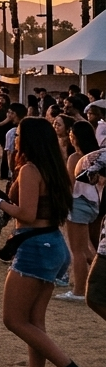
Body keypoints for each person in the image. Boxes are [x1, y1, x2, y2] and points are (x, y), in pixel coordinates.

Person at [0, 117, 101, 367]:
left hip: (36, 246)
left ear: (29, 139)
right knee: (34, 322)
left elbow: (28, 213)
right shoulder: (53, 167)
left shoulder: (31, 169)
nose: (16, 139)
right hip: (51, 243)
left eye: (19, 135)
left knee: (14, 319)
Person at [60, 124, 102, 302]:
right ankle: (98, 281)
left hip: (78, 202)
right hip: (94, 203)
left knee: (77, 250)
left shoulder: (75, 158)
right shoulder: (97, 156)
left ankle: (78, 290)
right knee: (86, 248)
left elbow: (70, 184)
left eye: (71, 134)